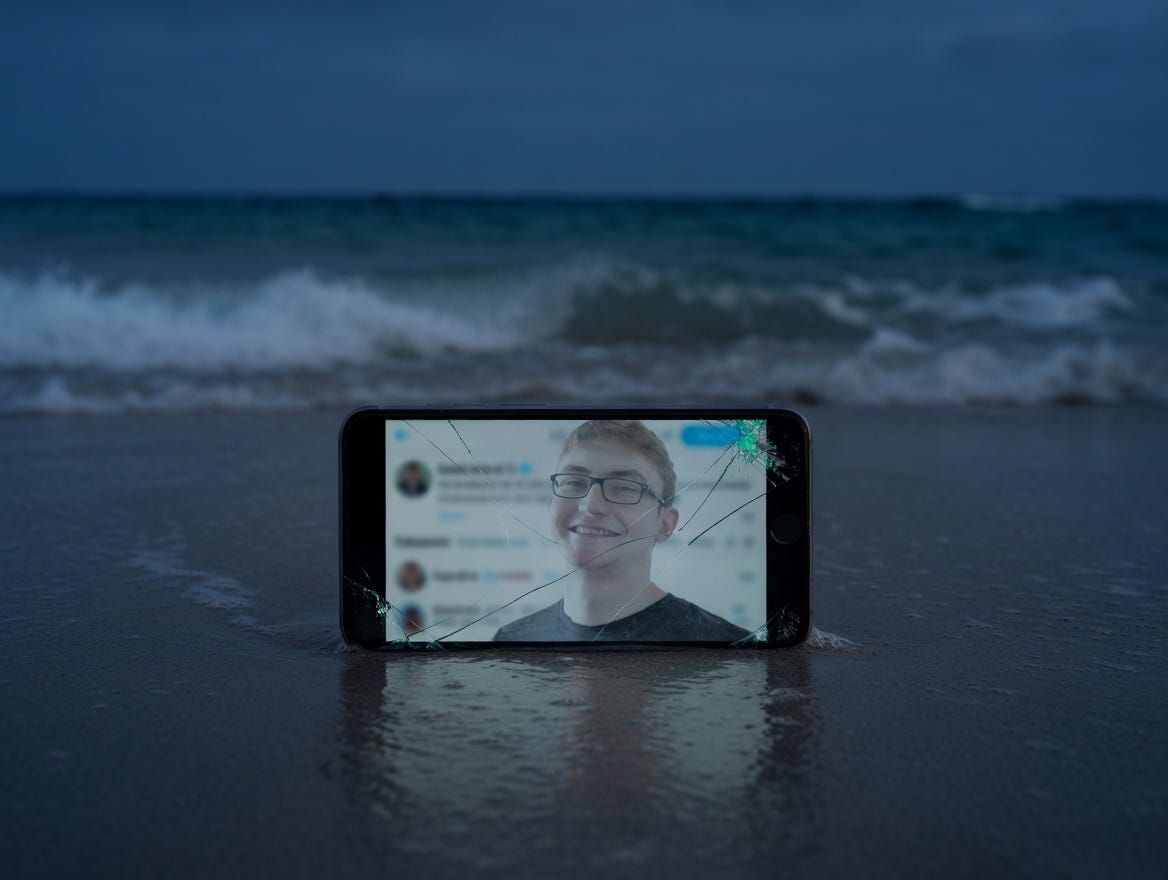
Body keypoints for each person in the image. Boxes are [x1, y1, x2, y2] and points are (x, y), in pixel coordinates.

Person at [493, 419, 750, 642]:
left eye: (624, 487)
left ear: (665, 525)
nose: (590, 505)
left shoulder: (727, 646)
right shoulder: (511, 640)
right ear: (552, 505)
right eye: (574, 482)